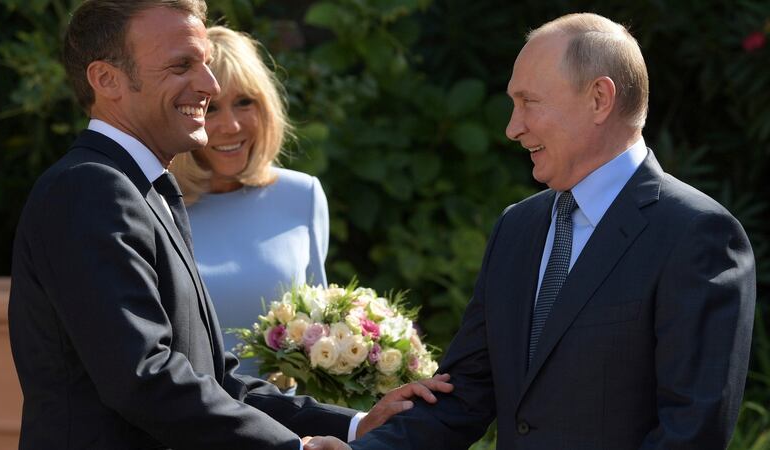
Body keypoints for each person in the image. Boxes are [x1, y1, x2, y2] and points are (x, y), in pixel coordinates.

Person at [7, 1, 451, 449]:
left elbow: (216, 381)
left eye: (204, 64)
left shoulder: (142, 189)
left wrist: (354, 425)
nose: (208, 84)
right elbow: (143, 377)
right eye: (182, 65)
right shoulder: (89, 189)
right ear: (107, 80)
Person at [306, 12, 756, 450]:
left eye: (529, 102)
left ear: (599, 98)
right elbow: (464, 393)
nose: (512, 128)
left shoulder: (696, 234)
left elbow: (691, 431)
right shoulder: (517, 228)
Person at [170, 26, 328, 378]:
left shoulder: (303, 196)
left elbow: (322, 337)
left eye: (245, 102)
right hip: (189, 424)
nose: (231, 125)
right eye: (210, 108)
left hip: (290, 428)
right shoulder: (156, 205)